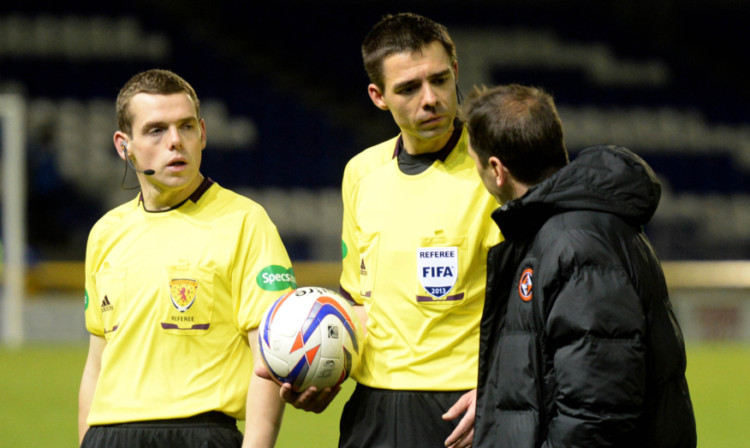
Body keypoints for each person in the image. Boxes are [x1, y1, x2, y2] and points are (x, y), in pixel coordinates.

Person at [292, 12, 501, 448]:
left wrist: (502, 388)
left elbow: (536, 299)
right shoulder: (361, 173)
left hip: (465, 405)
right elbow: (361, 297)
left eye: (440, 80)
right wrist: (331, 368)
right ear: (378, 96)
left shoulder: (495, 169)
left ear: (456, 73)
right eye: (408, 88)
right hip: (374, 408)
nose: (431, 99)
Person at [463, 84, 697, 447]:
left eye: (474, 163)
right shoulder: (562, 232)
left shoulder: (575, 243)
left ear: (496, 169)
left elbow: (597, 413)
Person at [78, 69, 296, 448]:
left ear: (204, 134)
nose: (175, 141)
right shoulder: (105, 233)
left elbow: (269, 357)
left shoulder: (245, 221)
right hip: (108, 435)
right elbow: (96, 364)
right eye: (156, 130)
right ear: (123, 145)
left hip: (201, 433)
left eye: (186, 126)